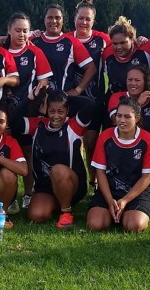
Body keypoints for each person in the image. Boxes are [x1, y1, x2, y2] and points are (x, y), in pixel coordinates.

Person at [12, 91, 94, 229]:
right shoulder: (38, 125)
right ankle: (56, 203)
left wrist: (66, 98)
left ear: (67, 110)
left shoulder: (74, 126)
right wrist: (29, 99)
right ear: (46, 111)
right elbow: (14, 121)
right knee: (36, 215)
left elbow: (90, 104)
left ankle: (66, 211)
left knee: (57, 169)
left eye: (61, 111)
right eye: (52, 111)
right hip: (46, 187)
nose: (56, 116)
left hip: (72, 184)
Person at [106, 65, 150, 218]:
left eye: (137, 80)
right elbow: (117, 123)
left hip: (146, 150)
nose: (133, 83)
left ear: (145, 82)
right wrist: (138, 106)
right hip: (120, 149)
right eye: (130, 80)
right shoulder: (117, 97)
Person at [3, 12, 52, 213]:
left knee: (26, 154)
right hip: (3, 113)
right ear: (8, 30)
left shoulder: (35, 53)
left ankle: (28, 194)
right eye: (18, 30)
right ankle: (9, 196)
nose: (22, 34)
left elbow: (44, 80)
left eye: (25, 30)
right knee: (5, 153)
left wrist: (37, 95)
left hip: (26, 113)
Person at [87, 98, 150, 232]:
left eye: (127, 117)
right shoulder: (105, 137)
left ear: (137, 118)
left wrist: (125, 200)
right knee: (95, 224)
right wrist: (110, 201)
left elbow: (146, 178)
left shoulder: (148, 140)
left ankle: (128, 212)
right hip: (110, 190)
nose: (121, 120)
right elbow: (100, 172)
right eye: (119, 115)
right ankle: (112, 210)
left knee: (134, 225)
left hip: (137, 193)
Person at [65, 0, 111, 189]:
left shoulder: (102, 39)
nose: (83, 22)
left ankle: (92, 182)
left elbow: (124, 47)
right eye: (80, 18)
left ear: (93, 20)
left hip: (95, 99)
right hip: (70, 100)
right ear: (74, 18)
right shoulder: (65, 39)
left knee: (91, 142)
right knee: (73, 142)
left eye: (88, 19)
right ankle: (75, 180)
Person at [30, 4, 96, 96]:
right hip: (35, 100)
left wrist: (77, 90)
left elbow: (91, 68)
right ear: (44, 19)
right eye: (50, 17)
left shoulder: (71, 42)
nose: (53, 21)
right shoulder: (32, 41)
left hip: (61, 103)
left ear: (63, 21)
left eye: (57, 18)